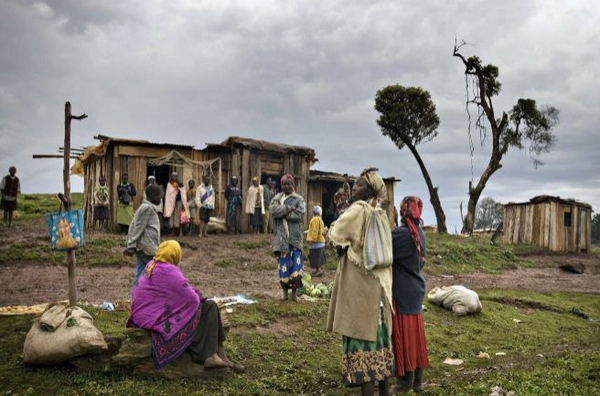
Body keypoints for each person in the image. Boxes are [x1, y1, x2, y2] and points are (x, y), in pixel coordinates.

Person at [127, 240, 243, 372]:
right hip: (154, 320)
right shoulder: (168, 270)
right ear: (175, 255)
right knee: (210, 307)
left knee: (207, 307)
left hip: (142, 317)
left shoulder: (151, 266)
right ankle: (211, 356)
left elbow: (174, 295)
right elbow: (192, 299)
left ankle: (220, 356)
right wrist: (200, 297)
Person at [327, 168, 394, 396]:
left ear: (370, 190)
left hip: (359, 290)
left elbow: (336, 233)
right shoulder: (380, 213)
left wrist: (338, 242)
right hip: (377, 290)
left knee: (364, 351)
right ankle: (384, 392)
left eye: (359, 185)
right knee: (380, 346)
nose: (353, 188)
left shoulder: (358, 211)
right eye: (354, 185)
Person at [390, 196, 429, 393]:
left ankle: (404, 383)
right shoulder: (420, 233)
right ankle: (418, 382)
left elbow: (385, 257)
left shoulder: (399, 235)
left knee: (403, 336)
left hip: (402, 291)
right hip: (416, 289)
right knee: (416, 337)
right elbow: (421, 262)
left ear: (403, 212)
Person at [269, 174, 306, 301]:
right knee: (283, 266)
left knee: (295, 266)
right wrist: (288, 209)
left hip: (294, 238)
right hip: (281, 238)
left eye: (288, 184)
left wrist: (283, 214)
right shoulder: (277, 198)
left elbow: (300, 215)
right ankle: (285, 293)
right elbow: (273, 211)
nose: (286, 186)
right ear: (281, 185)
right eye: (284, 184)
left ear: (293, 185)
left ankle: (294, 294)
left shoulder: (299, 199)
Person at [124, 184, 163, 285]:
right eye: (160, 196)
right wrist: (131, 245)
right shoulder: (147, 208)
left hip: (145, 246)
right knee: (155, 272)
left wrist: (130, 243)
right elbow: (138, 227)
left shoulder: (145, 207)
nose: (161, 198)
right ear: (153, 195)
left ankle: (137, 296)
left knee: (141, 272)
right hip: (147, 248)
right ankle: (144, 295)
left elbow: (133, 224)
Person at [163, 172, 190, 236]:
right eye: (172, 176)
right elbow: (168, 195)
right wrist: (169, 203)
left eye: (175, 176)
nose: (174, 178)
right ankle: (173, 231)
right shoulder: (169, 184)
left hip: (179, 202)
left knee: (180, 216)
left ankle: (181, 232)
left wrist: (184, 203)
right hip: (172, 203)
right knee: (172, 216)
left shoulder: (180, 184)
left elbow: (183, 194)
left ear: (177, 177)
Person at [306, 205, 326, 277]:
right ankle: (317, 270)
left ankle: (319, 270)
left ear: (313, 212)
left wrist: (312, 240)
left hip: (316, 242)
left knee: (315, 256)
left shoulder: (315, 219)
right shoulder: (320, 219)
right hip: (320, 242)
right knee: (317, 256)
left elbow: (315, 230)